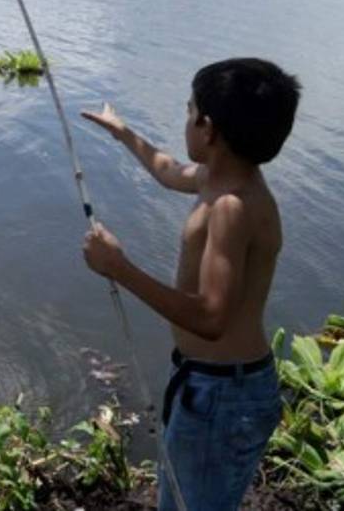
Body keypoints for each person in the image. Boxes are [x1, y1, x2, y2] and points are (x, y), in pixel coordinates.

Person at [81, 58, 301, 511]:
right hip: (213, 386)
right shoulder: (220, 179)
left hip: (224, 397)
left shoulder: (232, 209)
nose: (185, 119)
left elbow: (211, 317)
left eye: (188, 110)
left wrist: (120, 268)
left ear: (209, 129)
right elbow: (165, 170)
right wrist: (121, 131)